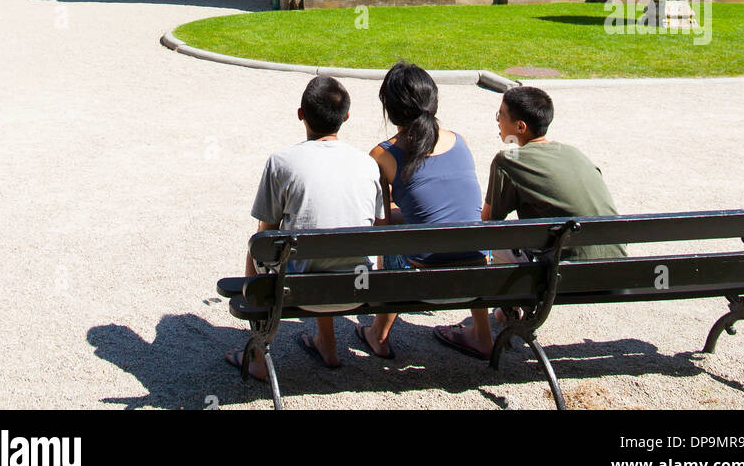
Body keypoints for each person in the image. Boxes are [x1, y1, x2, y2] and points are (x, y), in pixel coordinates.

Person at [438, 84, 627, 358]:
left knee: (489, 246)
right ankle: (506, 311)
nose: (498, 120)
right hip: (618, 265)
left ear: (521, 127)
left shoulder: (509, 159)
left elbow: (488, 225)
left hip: (568, 275)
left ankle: (487, 327)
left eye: (501, 115)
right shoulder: (574, 153)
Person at [225, 75, 382, 376]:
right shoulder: (367, 164)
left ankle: (258, 355)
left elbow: (264, 236)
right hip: (358, 288)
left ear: (301, 114)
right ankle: (328, 343)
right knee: (332, 240)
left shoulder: (282, 161)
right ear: (347, 116)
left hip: (300, 289)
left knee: (256, 247)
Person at [356, 62, 490, 361]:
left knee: (391, 236)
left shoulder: (383, 154)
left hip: (427, 276)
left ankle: (379, 334)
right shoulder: (460, 140)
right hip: (479, 273)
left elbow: (382, 222)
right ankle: (483, 334)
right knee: (461, 229)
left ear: (389, 110)